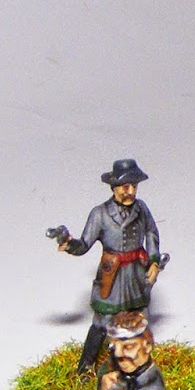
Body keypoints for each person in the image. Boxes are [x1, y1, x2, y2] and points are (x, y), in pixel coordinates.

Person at [52, 158, 164, 374]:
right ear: (114, 187)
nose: (130, 191)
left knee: (138, 319)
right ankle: (85, 368)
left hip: (135, 275)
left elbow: (151, 232)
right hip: (112, 277)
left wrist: (154, 260)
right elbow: (84, 245)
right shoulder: (100, 214)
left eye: (134, 186)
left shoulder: (141, 208)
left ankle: (137, 366)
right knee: (101, 323)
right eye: (125, 187)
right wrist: (69, 244)